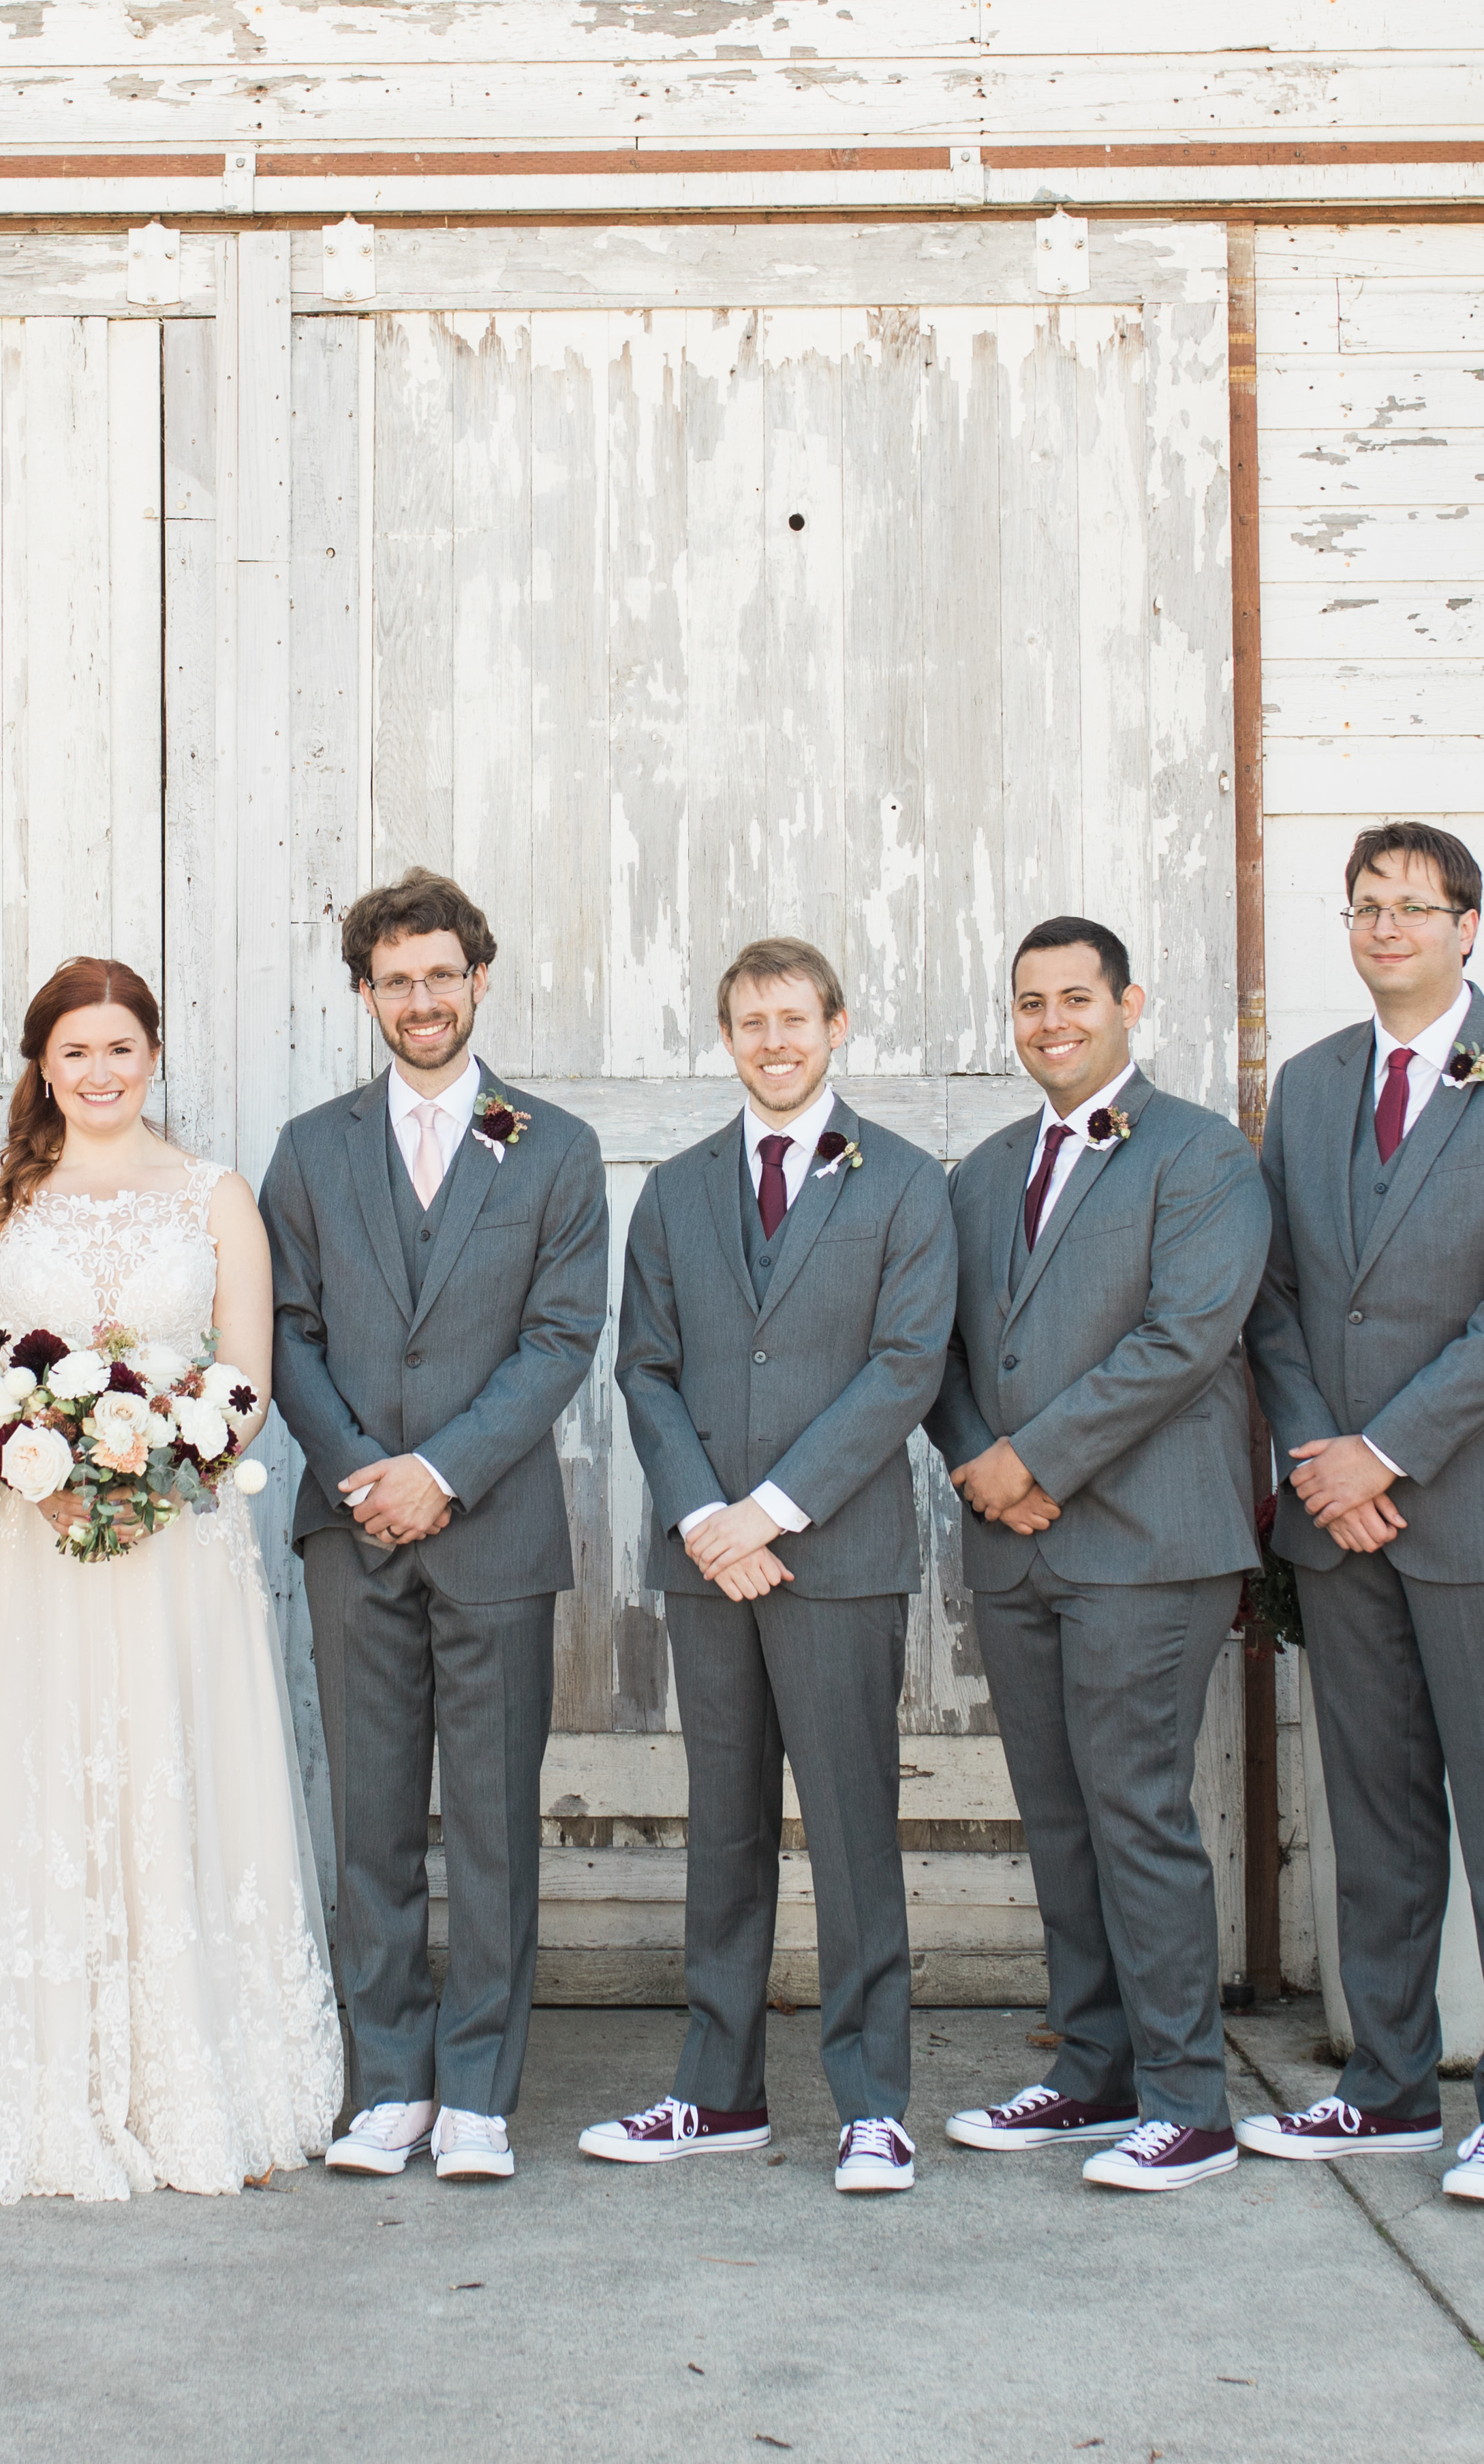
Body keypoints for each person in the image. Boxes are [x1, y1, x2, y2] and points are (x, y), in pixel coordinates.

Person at [0, 957, 342, 2200]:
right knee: (29, 1779)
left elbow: (246, 1378)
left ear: (154, 1056)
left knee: (170, 1764)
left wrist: (161, 1473)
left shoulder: (215, 1196)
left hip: (175, 1541)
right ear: (42, 1064)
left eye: (121, 1047)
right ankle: (23, 2077)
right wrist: (40, 1472)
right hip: (27, 1544)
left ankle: (186, 2073)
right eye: (74, 1050)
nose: (99, 1071)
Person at [1237, 826, 1484, 2208]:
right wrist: (1315, 1454)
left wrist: (1384, 1454)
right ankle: (1384, 2087)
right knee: (1376, 1814)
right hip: (1337, 1517)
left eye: (1414, 906)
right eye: (1365, 906)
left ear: (1467, 925)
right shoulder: (1316, 1080)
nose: (1386, 925)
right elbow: (1271, 1293)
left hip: (1477, 1506)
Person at [258, 869, 608, 2186]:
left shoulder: (553, 1146)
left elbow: (561, 1335)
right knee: (370, 1817)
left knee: (489, 1816)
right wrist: (363, 1472)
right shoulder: (314, 1145)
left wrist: (443, 1472)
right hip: (353, 1530)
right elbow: (284, 1330)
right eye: (395, 979)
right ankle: (389, 2081)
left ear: (478, 981)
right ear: (365, 994)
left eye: (441, 976)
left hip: (494, 1528)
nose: (420, 999)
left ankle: (477, 2091)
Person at [587, 938, 953, 2198]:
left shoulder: (902, 1182)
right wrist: (702, 1514)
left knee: (852, 1828)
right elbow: (647, 1365)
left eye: (792, 1018)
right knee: (724, 1828)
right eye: (748, 1021)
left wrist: (772, 1511)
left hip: (832, 1557)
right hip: (706, 1564)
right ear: (726, 1035)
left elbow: (906, 1364)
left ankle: (871, 2105)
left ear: (837, 1026)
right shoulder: (679, 1189)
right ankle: (716, 2088)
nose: (772, 1040)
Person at [922, 917, 1273, 2198]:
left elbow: (1184, 1338)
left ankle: (1188, 2100)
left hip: (1147, 1540)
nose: (1051, 1020)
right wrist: (978, 1461)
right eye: (1029, 1001)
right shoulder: (984, 1172)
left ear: (1131, 1001)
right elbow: (940, 1347)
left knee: (1135, 1810)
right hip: (1013, 1543)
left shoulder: (1201, 1157)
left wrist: (1039, 1460)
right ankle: (1093, 2072)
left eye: (1076, 996)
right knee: (1060, 1817)